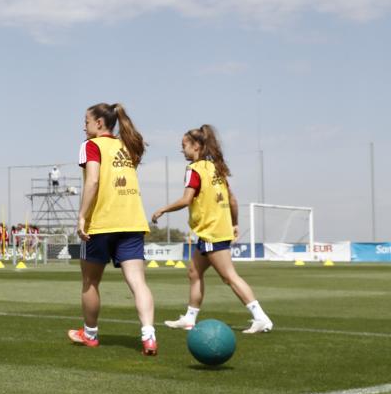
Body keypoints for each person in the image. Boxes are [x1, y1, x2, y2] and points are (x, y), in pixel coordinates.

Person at [150, 125, 273, 334]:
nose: (182, 151)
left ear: (196, 146)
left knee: (229, 277)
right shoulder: (217, 167)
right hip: (218, 229)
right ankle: (189, 319)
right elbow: (232, 200)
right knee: (194, 272)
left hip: (211, 232)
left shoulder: (194, 170)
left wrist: (163, 209)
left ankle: (260, 317)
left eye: (184, 146)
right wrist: (234, 223)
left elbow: (186, 199)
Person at [69, 102, 159, 356]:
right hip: (132, 221)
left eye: (85, 121)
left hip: (102, 223)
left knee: (90, 281)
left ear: (99, 123)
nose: (83, 126)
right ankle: (149, 335)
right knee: (138, 282)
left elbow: (94, 181)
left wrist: (82, 217)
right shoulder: (127, 145)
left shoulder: (91, 145)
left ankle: (90, 334)